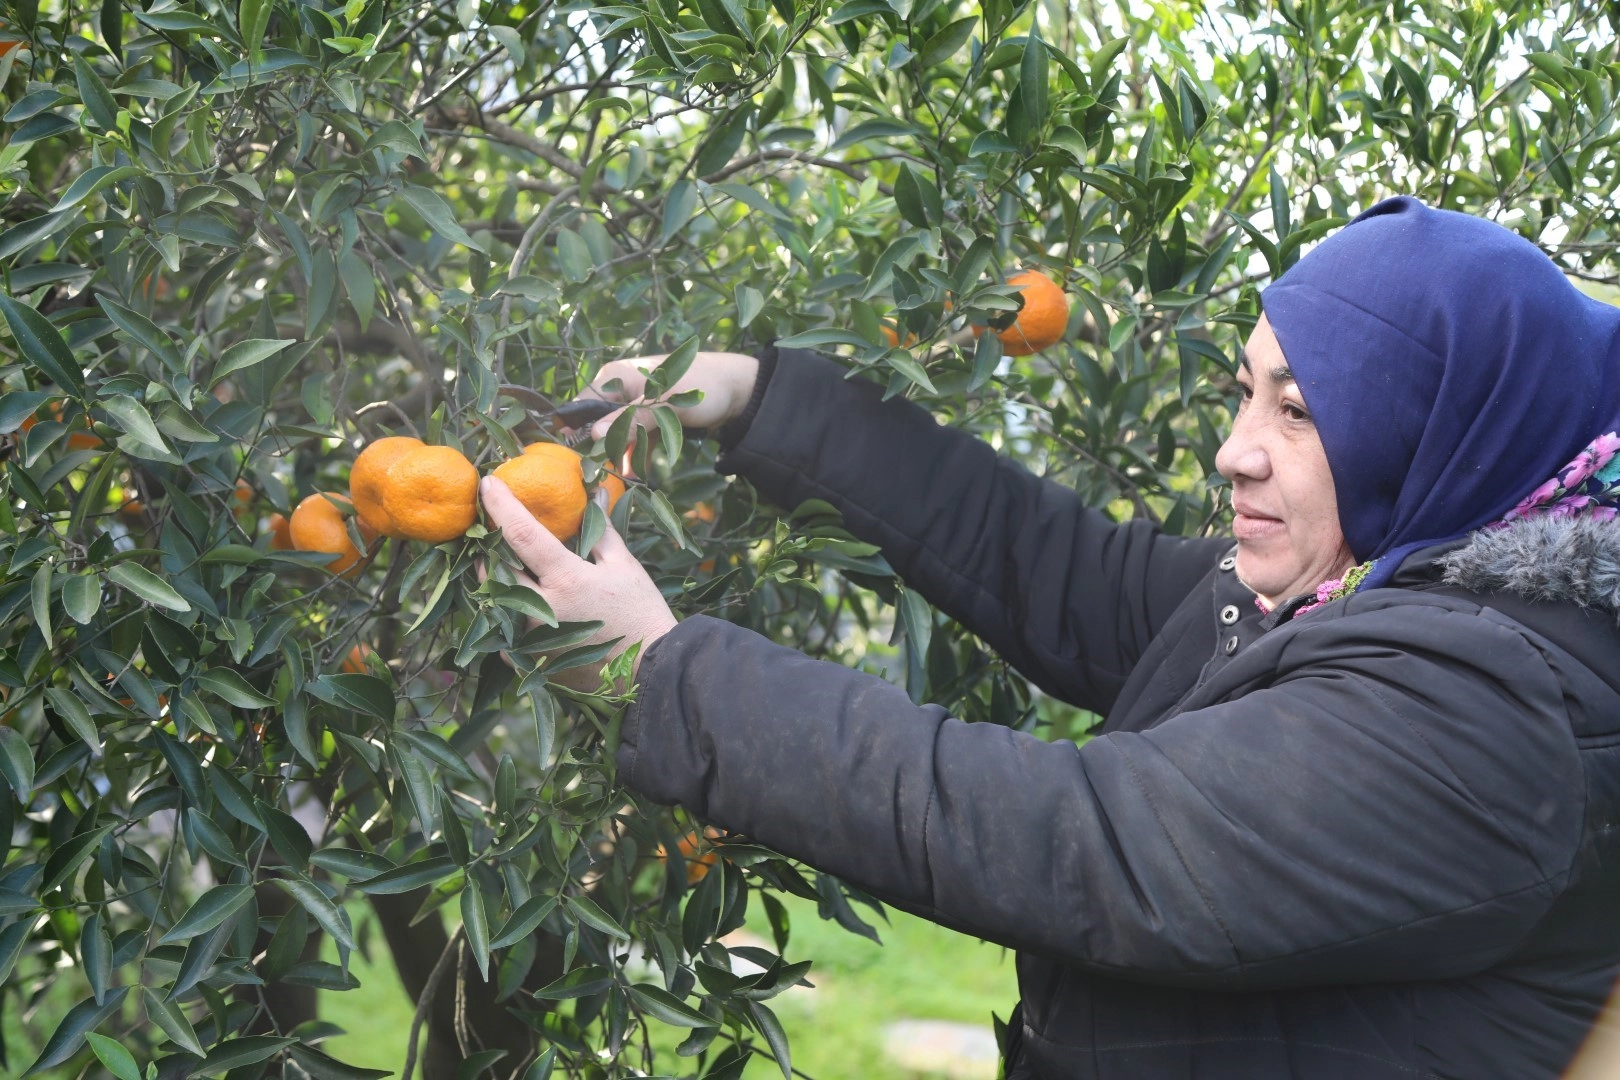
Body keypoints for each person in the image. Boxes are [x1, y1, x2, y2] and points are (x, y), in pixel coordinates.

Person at [478, 196, 1620, 1079]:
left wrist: (666, 673)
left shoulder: (1493, 714)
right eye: (1246, 392)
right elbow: (1053, 565)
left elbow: (1082, 842)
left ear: (1445, 434)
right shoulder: (1351, 589)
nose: (1237, 449)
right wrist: (749, 400)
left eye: (1301, 412)